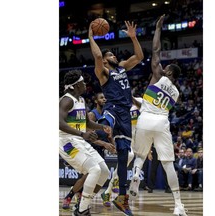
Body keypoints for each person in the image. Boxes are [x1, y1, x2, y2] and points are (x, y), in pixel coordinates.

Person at [128, 15, 188, 216]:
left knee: (140, 155)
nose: (164, 66)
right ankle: (178, 204)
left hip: (144, 120)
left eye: (167, 67)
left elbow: (155, 50)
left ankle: (136, 174)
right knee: (168, 164)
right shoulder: (177, 93)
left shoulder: (157, 75)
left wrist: (158, 28)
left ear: (168, 71)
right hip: (161, 122)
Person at [88, 20, 144, 216]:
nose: (113, 55)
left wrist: (133, 37)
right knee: (107, 119)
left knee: (122, 157)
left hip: (125, 115)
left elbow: (139, 56)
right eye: (109, 54)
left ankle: (121, 198)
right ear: (104, 60)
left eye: (112, 54)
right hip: (112, 109)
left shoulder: (121, 67)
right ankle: (103, 128)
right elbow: (96, 54)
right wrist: (91, 36)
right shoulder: (103, 73)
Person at [59, 70, 113, 216]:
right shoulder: (67, 100)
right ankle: (82, 210)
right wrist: (83, 134)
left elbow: (87, 122)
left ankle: (82, 205)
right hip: (66, 143)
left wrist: (102, 127)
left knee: (104, 171)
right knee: (94, 170)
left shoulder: (81, 100)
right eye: (82, 82)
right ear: (75, 86)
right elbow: (58, 122)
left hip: (79, 141)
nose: (85, 85)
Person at [100, 97, 142, 207]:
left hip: (135, 138)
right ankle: (114, 184)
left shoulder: (142, 104)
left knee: (123, 163)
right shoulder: (121, 104)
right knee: (129, 155)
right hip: (123, 136)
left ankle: (107, 192)